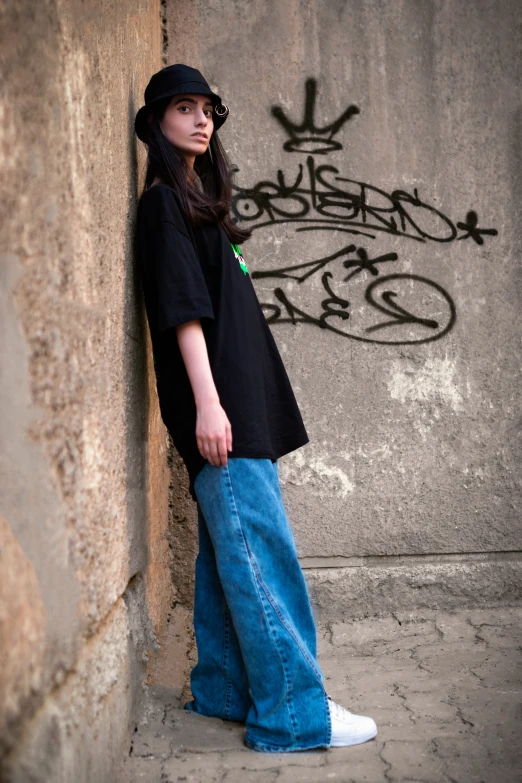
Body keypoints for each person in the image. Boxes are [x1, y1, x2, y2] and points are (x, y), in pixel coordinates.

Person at [134, 63, 377, 753]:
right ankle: (297, 715)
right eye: (185, 108)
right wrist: (208, 406)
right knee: (263, 556)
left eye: (208, 108)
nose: (201, 119)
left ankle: (223, 690)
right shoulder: (162, 204)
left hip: (240, 407)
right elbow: (183, 311)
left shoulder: (198, 200)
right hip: (224, 412)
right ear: (157, 121)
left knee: (225, 555)